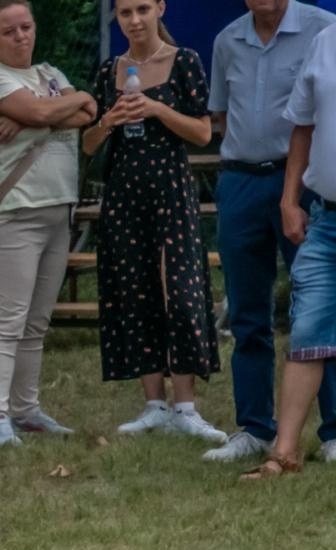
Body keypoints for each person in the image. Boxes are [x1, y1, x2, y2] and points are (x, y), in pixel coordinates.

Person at [84, 0, 225, 442]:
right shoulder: (110, 70)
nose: (135, 20)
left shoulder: (183, 62)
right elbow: (88, 146)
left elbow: (203, 132)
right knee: (136, 289)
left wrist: (156, 109)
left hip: (171, 193)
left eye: (143, 9)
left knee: (180, 293)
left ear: (160, 8)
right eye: (125, 12)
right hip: (125, 197)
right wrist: (109, 120)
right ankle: (153, 403)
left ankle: (186, 405)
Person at [205, 0, 336, 463]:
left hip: (300, 181)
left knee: (318, 313)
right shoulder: (227, 41)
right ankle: (256, 427)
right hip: (240, 179)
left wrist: (292, 191)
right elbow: (219, 115)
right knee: (246, 309)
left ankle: (332, 432)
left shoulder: (323, 31)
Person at [0, 0, 96, 447]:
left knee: (36, 322)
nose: (20, 36)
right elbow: (53, 113)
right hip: (17, 212)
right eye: (8, 31)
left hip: (60, 208)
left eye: (26, 27)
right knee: (9, 319)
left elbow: (88, 113)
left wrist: (54, 108)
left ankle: (26, 411)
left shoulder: (50, 73)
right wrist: (56, 107)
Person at [242, 20, 336, 477]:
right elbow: (303, 127)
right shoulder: (325, 42)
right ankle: (284, 454)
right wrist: (289, 198)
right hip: (326, 218)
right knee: (307, 330)